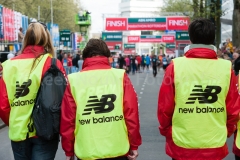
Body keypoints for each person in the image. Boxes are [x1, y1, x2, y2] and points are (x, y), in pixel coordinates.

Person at [158, 18, 239, 160]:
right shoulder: (226, 68)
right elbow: (233, 108)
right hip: (215, 142)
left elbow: (165, 107)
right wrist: (226, 131)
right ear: (213, 38)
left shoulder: (175, 66)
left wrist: (168, 131)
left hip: (182, 142)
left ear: (191, 38)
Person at [60, 39, 142, 160]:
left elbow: (68, 120)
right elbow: (131, 113)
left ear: (85, 57)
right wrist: (134, 144)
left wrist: (69, 151)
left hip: (87, 151)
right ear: (107, 56)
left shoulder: (73, 80)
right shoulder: (120, 76)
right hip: (117, 149)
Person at [0, 22, 66, 160]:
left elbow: (3, 106)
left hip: (19, 132)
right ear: (46, 38)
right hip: (46, 131)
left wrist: (14, 121)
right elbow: (63, 99)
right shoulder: (53, 63)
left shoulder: (7, 66)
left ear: (25, 39)